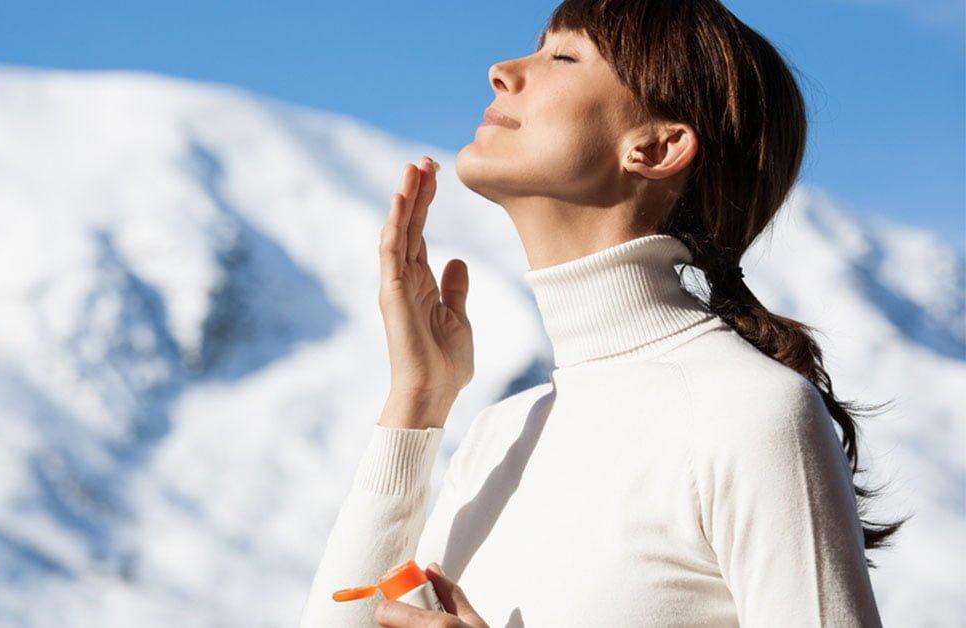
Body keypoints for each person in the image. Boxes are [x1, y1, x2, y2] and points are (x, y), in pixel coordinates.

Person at [298, 1, 909, 625]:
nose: (501, 70)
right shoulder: (499, 435)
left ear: (657, 146)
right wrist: (418, 399)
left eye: (563, 56)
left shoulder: (750, 413)